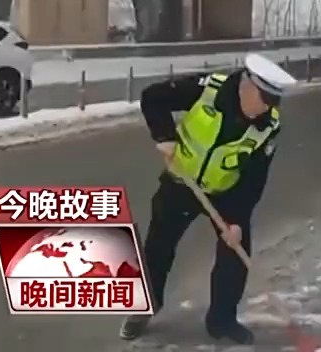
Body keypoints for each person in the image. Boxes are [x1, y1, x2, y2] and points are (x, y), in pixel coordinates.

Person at [119, 53, 296, 344]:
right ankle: (143, 308)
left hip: (227, 192)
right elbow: (153, 98)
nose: (265, 108)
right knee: (157, 248)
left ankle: (222, 320)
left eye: (272, 102)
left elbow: (255, 177)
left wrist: (237, 221)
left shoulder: (268, 126)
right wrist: (164, 137)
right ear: (246, 86)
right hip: (181, 182)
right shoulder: (209, 89)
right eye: (263, 99)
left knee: (236, 253)